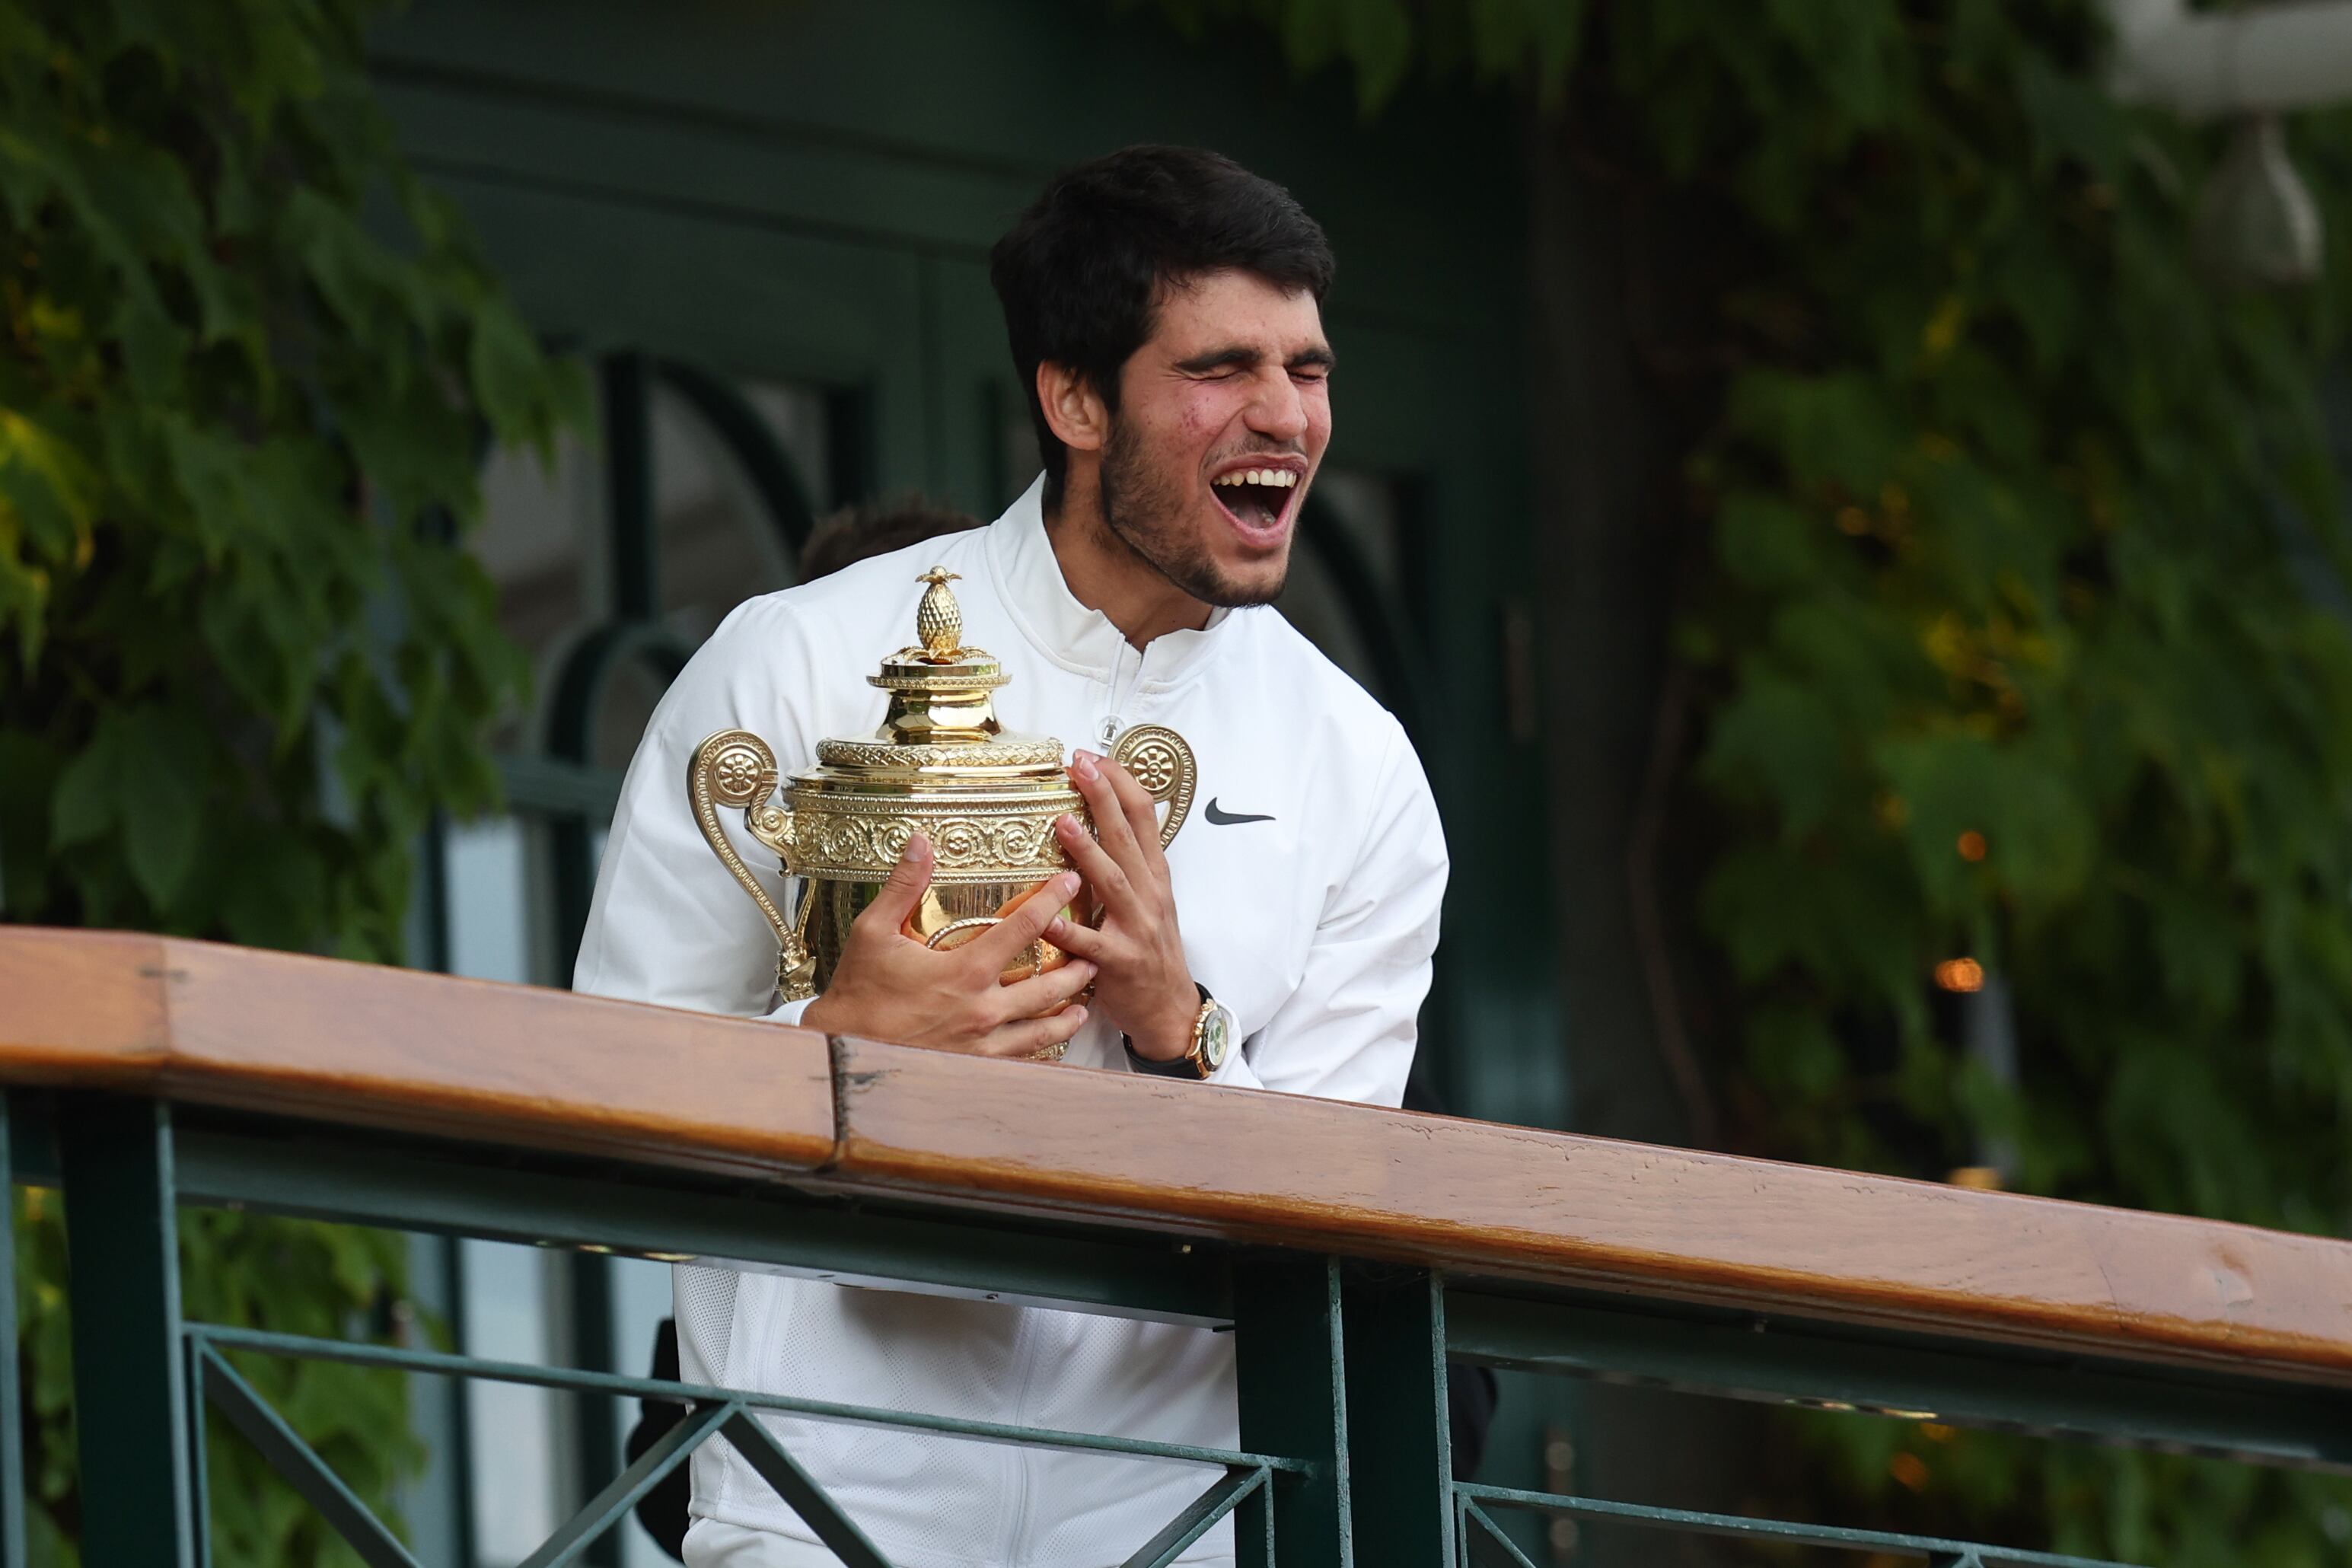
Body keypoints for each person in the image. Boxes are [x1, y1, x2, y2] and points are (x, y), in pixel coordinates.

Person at [575, 144, 1448, 1568]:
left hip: (1186, 1523)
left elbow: (1337, 1230)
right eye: (1223, 367)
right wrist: (831, 1044)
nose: (1285, 415)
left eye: (1309, 367)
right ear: (1073, 397)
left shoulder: (1360, 769)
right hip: (813, 1504)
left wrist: (1181, 1034)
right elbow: (595, 1110)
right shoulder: (794, 659)